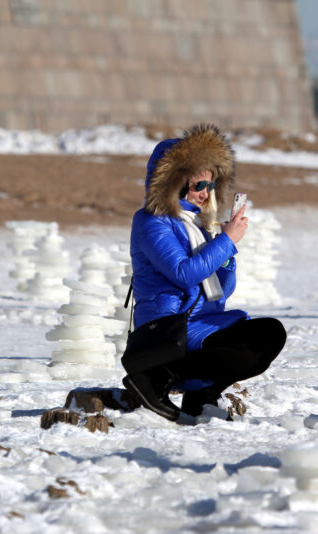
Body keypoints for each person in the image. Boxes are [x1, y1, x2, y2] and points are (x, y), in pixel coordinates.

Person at [123, 124, 286, 421]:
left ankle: (202, 395)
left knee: (269, 333)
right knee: (240, 354)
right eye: (199, 185)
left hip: (200, 322)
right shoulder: (152, 221)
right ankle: (155, 378)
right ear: (175, 182)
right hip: (166, 329)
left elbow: (223, 289)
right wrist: (226, 242)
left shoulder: (196, 225)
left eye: (210, 186)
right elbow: (183, 274)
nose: (205, 193)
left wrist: (226, 250)